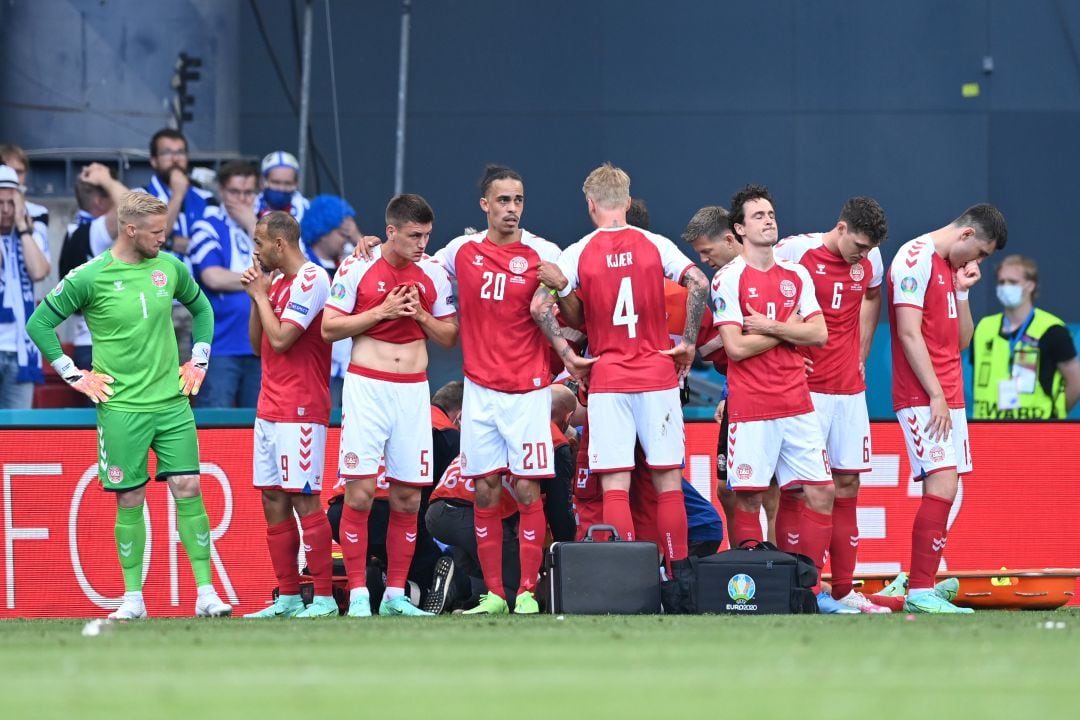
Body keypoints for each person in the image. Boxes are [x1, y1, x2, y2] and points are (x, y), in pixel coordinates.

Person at [25, 191, 231, 619]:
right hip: (121, 408)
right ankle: (133, 598)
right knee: (130, 497)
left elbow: (202, 309)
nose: (165, 239)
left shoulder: (170, 268)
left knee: (189, 487)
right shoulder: (90, 276)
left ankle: (206, 593)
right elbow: (39, 322)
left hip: (171, 403)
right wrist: (73, 373)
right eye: (157, 232)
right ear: (130, 230)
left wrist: (200, 357)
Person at [532, 163, 710, 613]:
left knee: (616, 482)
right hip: (656, 374)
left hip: (608, 378)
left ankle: (629, 581)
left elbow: (540, 306)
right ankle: (680, 579)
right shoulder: (655, 244)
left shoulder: (580, 250)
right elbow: (699, 282)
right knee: (668, 480)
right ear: (628, 202)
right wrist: (687, 341)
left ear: (590, 205)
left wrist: (569, 356)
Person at [709, 184, 854, 613]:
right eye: (758, 216)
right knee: (749, 497)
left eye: (771, 213)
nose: (769, 219)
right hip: (752, 407)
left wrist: (768, 327)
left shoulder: (797, 275)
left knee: (821, 492)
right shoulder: (728, 278)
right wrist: (789, 329)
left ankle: (806, 592)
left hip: (797, 403)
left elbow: (820, 333)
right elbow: (734, 348)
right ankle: (751, 594)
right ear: (739, 229)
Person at [426, 165, 563, 616]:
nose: (512, 209)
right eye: (503, 201)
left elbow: (575, 300)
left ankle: (525, 590)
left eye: (518, 200)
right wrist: (372, 250)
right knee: (484, 490)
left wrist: (564, 286)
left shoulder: (542, 251)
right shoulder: (461, 251)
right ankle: (496, 595)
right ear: (485, 205)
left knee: (526, 490)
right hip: (480, 392)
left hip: (528, 391)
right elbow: (417, 263)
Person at [322, 193, 458, 617]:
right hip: (367, 388)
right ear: (391, 231)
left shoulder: (433, 272)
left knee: (407, 498)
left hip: (413, 391)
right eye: (414, 235)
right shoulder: (357, 265)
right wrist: (381, 311)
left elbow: (449, 336)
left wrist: (419, 316)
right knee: (360, 494)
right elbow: (329, 327)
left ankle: (397, 595)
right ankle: (361, 592)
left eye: (427, 235)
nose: (422, 243)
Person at [888, 203, 1008, 613]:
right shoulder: (914, 259)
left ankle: (920, 582)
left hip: (949, 395)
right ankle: (917, 589)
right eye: (981, 253)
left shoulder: (947, 268)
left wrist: (963, 292)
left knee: (950, 490)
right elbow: (907, 333)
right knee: (941, 485)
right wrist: (935, 395)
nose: (979, 262)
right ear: (967, 236)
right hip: (924, 396)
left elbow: (958, 342)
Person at [773, 197, 891, 613]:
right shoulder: (794, 251)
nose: (862, 253)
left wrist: (862, 348)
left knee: (848, 486)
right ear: (840, 227)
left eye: (867, 248)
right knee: (797, 492)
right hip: (805, 393)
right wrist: (788, 347)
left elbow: (873, 297)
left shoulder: (871, 260)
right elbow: (764, 290)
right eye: (857, 244)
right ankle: (799, 591)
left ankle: (842, 591)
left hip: (848, 393)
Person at [238, 212, 336, 618]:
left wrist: (260, 296)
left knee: (304, 499)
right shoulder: (274, 281)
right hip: (270, 405)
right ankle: (290, 596)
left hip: (302, 406)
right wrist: (257, 296)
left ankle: (326, 598)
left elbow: (281, 339)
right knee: (274, 498)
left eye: (260, 242)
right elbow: (258, 346)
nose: (255, 250)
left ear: (280, 243)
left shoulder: (312, 279)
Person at [680, 205, 782, 545]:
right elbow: (731, 351)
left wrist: (785, 337)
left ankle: (781, 568)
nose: (704, 261)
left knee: (771, 489)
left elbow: (794, 331)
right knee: (727, 489)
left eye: (707, 252)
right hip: (739, 397)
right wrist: (726, 394)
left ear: (729, 238)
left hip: (776, 395)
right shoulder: (723, 283)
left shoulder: (771, 272)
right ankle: (744, 562)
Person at [188, 161, 261, 407]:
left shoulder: (264, 228)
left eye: (248, 192)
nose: (241, 200)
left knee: (257, 429)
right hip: (219, 347)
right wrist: (260, 281)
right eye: (234, 192)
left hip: (261, 346)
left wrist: (253, 225)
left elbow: (285, 270)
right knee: (217, 427)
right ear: (221, 191)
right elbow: (213, 277)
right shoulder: (206, 226)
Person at [970, 255, 1080, 419]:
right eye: (1001, 282)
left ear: (1030, 285)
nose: (1005, 287)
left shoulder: (1052, 330)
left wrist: (1055, 415)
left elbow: (1075, 382)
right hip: (988, 428)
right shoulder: (983, 327)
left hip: (1037, 430)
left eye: (1012, 282)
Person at [57, 164, 128, 376]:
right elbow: (134, 208)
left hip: (93, 344)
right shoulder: (94, 232)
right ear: (99, 202)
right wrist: (106, 180)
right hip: (106, 347)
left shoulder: (76, 232)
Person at [301, 194, 361, 406]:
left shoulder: (348, 263)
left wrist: (356, 237)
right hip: (315, 363)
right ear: (322, 232)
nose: (345, 238)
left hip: (347, 366)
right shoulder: (304, 265)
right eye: (340, 232)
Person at [0, 164, 50, 408]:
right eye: (0, 203)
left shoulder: (32, 233)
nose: (6, 210)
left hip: (21, 350)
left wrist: (22, 228)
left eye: (12, 203)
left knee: (16, 433)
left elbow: (39, 271)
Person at [0, 144, 49, 249]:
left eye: (19, 172)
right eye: (8, 171)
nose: (14, 178)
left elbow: (40, 262)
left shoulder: (38, 213)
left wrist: (23, 225)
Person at [256, 151, 308, 222]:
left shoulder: (306, 211)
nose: (281, 189)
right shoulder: (250, 207)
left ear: (296, 184)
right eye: (276, 182)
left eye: (288, 183)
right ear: (263, 182)